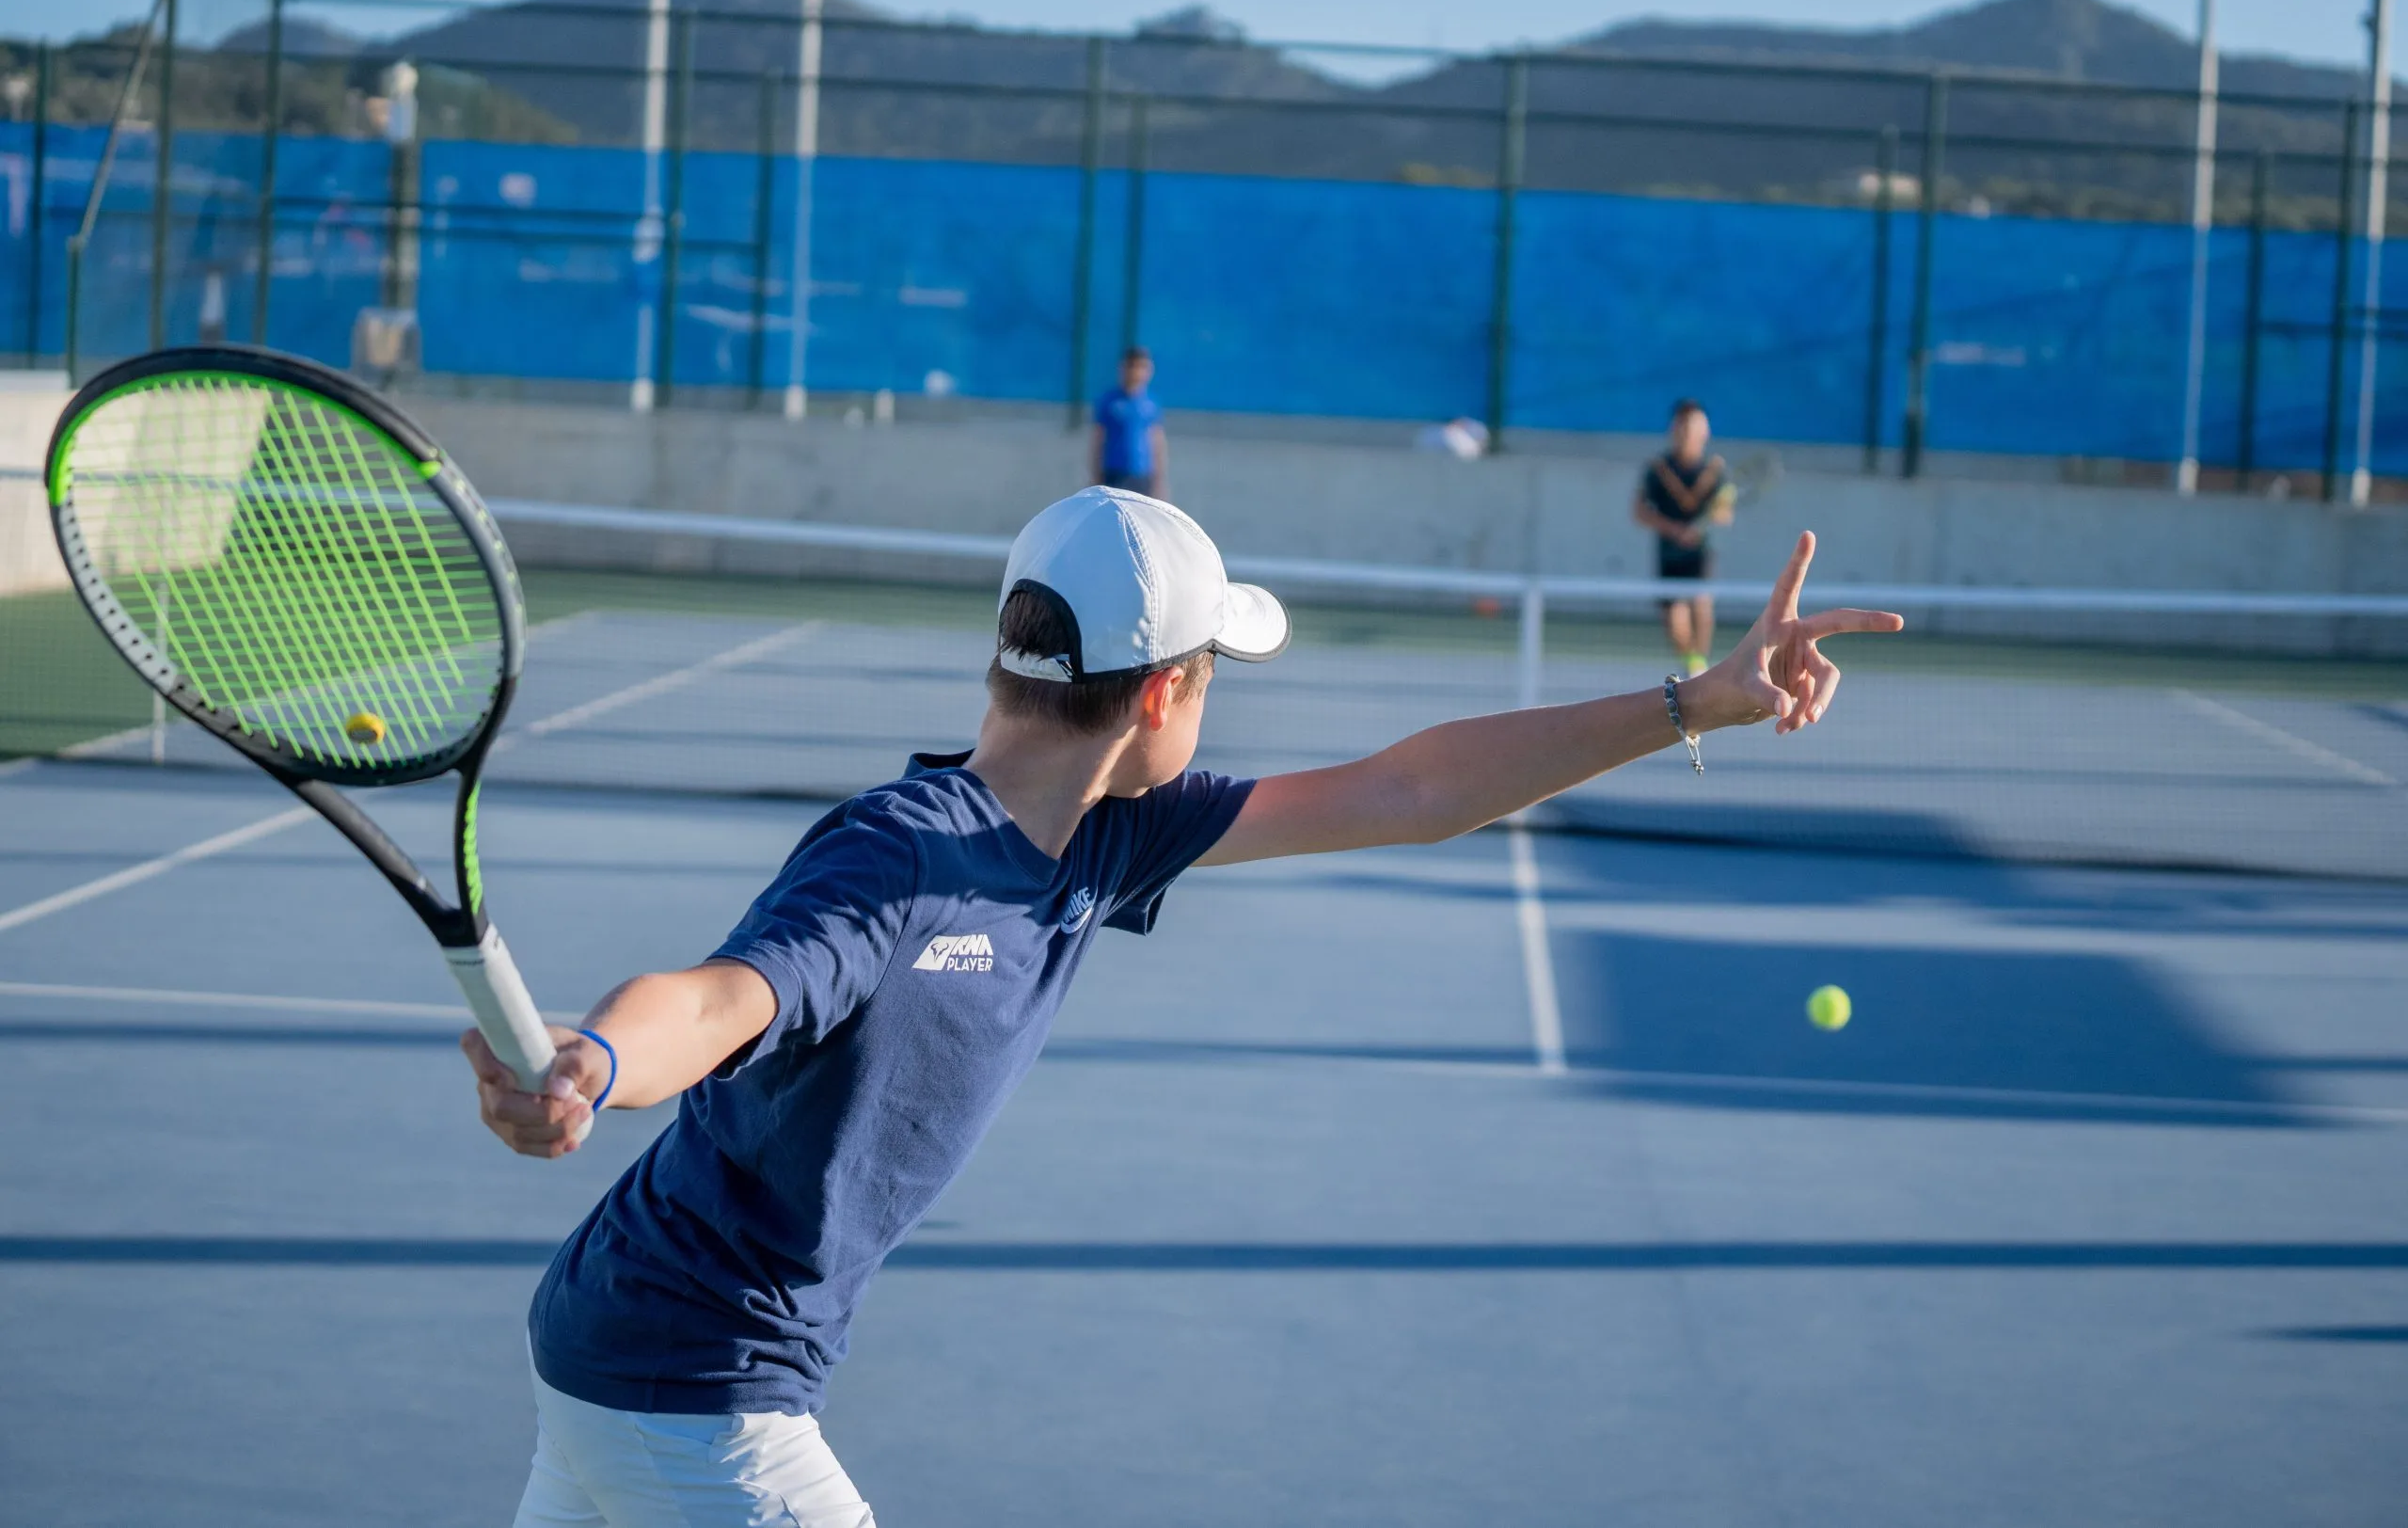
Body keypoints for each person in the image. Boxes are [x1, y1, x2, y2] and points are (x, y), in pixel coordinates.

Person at [467, 486, 1901, 1527]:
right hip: (699, 1383)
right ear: (1163, 691)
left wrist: (1692, 703)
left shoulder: (1103, 830)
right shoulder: (904, 853)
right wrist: (595, 1056)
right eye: (1218, 673)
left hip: (612, 1338)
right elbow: (722, 996)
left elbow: (1409, 789)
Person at [1631, 398, 1735, 678]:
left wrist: (1712, 517)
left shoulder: (1715, 470)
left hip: (1701, 553)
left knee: (1701, 603)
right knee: (1673, 615)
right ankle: (1692, 663)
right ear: (1673, 430)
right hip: (1668, 554)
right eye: (1682, 426)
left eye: (1694, 426)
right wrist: (1674, 530)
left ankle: (1700, 668)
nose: (1688, 432)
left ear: (1705, 431)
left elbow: (1725, 513)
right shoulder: (1658, 469)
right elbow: (1640, 511)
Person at [1088, 345, 1168, 497]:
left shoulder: (1151, 403)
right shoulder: (1109, 400)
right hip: (1114, 472)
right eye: (1131, 366)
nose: (1135, 372)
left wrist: (1159, 480)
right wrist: (1095, 474)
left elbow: (1157, 441)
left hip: (1142, 474)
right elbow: (1098, 439)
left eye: (1141, 367)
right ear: (1122, 368)